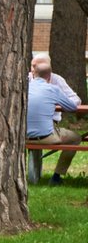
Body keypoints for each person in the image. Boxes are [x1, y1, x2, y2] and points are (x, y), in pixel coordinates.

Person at [28, 55, 84, 185]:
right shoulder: (52, 88)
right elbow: (72, 107)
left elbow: (75, 99)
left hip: (24, 133)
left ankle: (37, 177)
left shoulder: (27, 85)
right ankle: (56, 177)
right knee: (76, 138)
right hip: (45, 134)